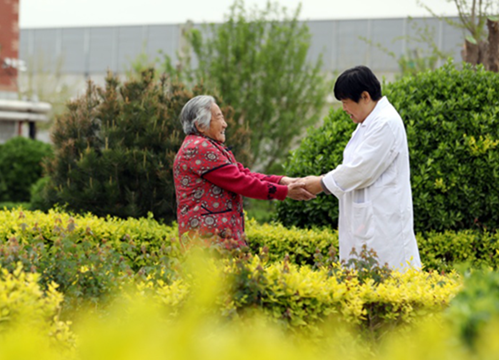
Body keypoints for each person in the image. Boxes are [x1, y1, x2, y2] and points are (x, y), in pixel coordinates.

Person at [304, 66, 421, 271]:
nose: (343, 108)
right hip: (367, 221)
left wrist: (321, 183)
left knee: (386, 283)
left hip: (383, 225)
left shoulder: (385, 123)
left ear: (365, 96)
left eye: (346, 102)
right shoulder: (368, 123)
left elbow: (360, 170)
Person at [173, 95, 314, 246]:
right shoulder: (198, 148)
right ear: (200, 126)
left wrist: (281, 181)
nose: (225, 124)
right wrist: (283, 191)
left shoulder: (209, 145)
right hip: (208, 244)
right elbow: (241, 181)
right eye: (219, 118)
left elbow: (243, 174)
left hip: (219, 240)